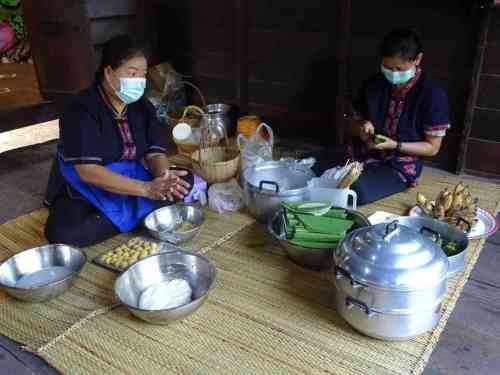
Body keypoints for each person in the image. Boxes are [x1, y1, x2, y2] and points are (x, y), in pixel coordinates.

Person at [43, 35, 193, 247]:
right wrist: (147, 189)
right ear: (108, 72)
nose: (139, 82)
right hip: (88, 187)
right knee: (62, 232)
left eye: (142, 75)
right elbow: (87, 171)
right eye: (132, 73)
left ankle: (125, 216)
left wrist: (164, 178)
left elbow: (155, 153)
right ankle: (139, 215)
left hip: (131, 178)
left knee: (185, 180)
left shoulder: (143, 107)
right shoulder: (81, 108)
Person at [309, 28, 450, 205]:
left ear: (418, 59)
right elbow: (351, 123)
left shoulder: (432, 94)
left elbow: (432, 147)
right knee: (310, 163)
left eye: (400, 68)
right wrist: (362, 126)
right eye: (388, 68)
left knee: (354, 191)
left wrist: (395, 145)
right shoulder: (375, 83)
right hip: (362, 151)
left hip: (399, 163)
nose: (393, 74)